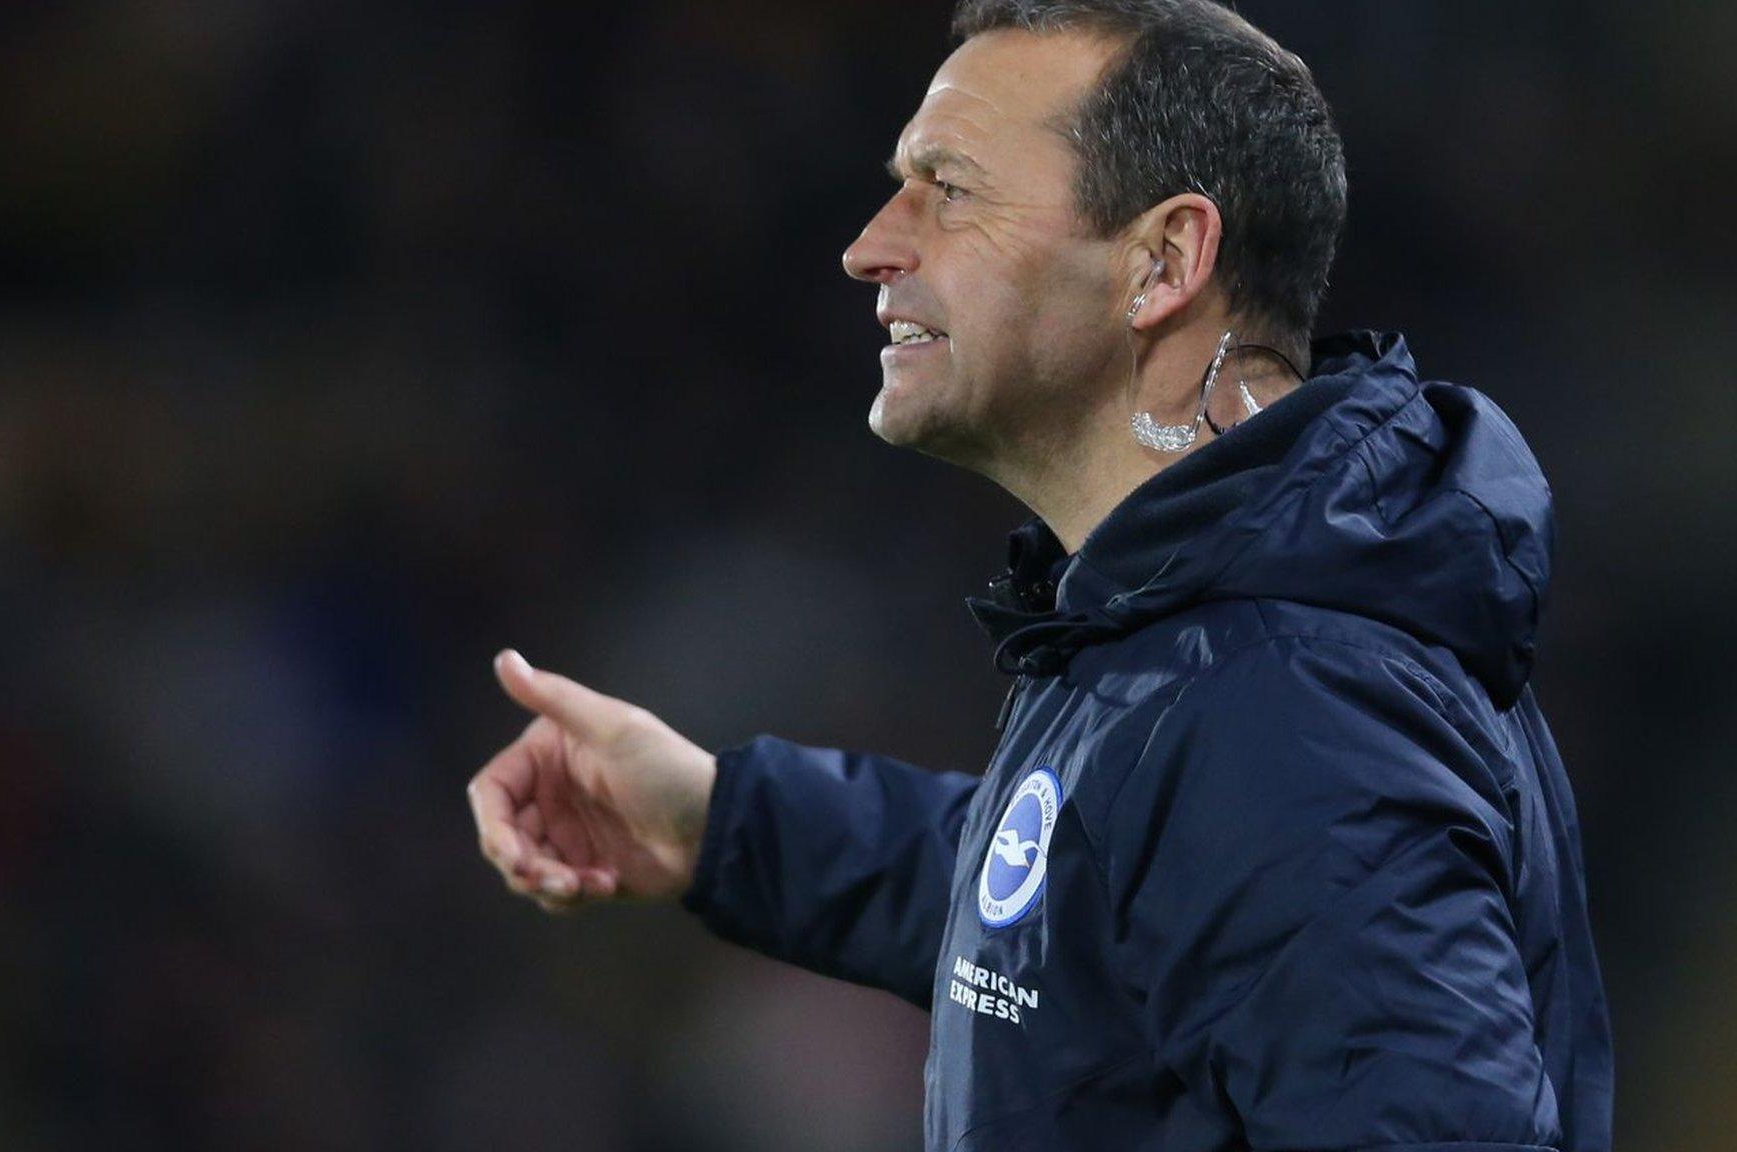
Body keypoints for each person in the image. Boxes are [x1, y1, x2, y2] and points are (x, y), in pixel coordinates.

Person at [466, 2, 1614, 1149]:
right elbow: (1077, 912)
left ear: (1161, 260)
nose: (871, 243)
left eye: (948, 188)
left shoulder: (1288, 703)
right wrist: (727, 824)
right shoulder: (1202, 627)